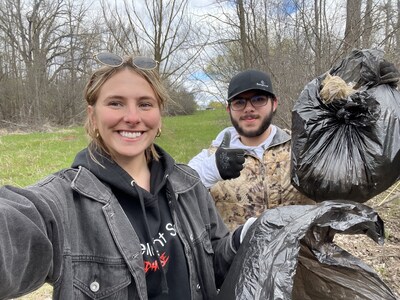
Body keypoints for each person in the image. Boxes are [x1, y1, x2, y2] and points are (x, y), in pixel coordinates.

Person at [0, 52, 250, 300]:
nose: (132, 118)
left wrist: (242, 239)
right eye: (115, 103)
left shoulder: (188, 185)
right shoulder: (63, 203)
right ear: (92, 116)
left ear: (159, 115)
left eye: (144, 104)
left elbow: (217, 266)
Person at [188, 69, 315, 231]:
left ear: (274, 103)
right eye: (239, 102)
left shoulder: (302, 149)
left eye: (259, 99)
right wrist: (210, 171)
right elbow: (178, 196)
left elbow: (344, 186)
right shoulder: (210, 158)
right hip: (237, 254)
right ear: (229, 109)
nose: (248, 108)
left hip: (299, 255)